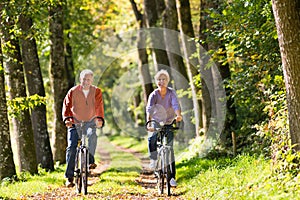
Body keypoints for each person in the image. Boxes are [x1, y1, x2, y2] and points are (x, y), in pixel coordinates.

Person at [62, 69, 104, 187]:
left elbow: (99, 106)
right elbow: (67, 106)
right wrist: (67, 119)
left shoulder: (97, 91)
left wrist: (99, 119)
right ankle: (69, 177)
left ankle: (90, 161)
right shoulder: (73, 91)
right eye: (84, 79)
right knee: (71, 147)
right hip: (75, 122)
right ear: (80, 79)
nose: (86, 81)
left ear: (92, 80)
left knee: (92, 135)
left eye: (88, 79)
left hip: (90, 122)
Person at [146, 69, 182, 187]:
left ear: (168, 81)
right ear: (156, 82)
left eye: (164, 79)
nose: (161, 81)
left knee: (170, 149)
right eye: (159, 79)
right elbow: (150, 109)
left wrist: (178, 115)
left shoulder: (171, 93)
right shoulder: (154, 94)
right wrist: (149, 123)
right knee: (152, 139)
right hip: (156, 121)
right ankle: (154, 159)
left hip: (169, 121)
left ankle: (172, 178)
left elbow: (175, 104)